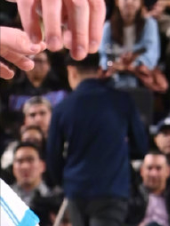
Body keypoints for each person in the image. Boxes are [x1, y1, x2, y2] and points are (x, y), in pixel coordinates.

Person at [47, 52, 150, 226]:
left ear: (72, 71)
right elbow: (141, 147)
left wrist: (67, 181)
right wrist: (117, 151)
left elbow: (52, 157)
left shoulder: (62, 108)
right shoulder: (123, 101)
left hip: (77, 189)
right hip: (112, 188)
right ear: (99, 69)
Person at [98, 0, 163, 90]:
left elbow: (152, 53)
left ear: (141, 2)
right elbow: (103, 54)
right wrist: (111, 64)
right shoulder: (108, 26)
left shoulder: (149, 24)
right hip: (114, 73)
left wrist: (132, 65)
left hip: (139, 75)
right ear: (117, 1)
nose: (129, 1)